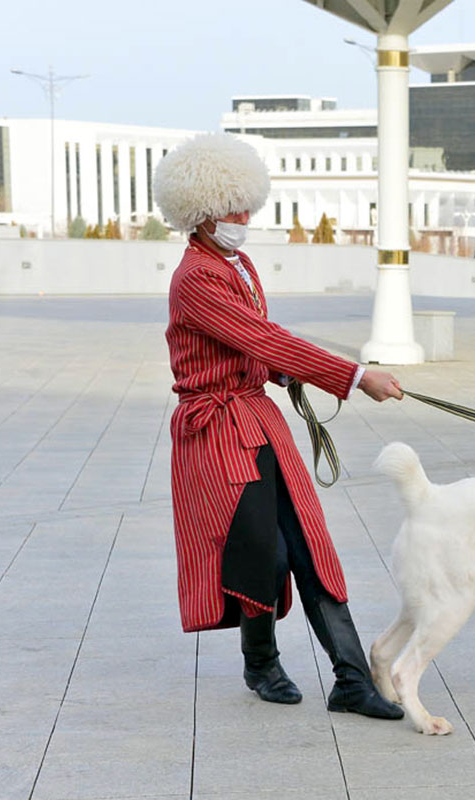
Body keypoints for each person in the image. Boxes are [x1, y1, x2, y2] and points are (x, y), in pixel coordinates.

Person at [154, 133, 403, 719]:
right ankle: (261, 662)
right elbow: (262, 337)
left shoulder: (236, 264)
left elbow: (254, 346)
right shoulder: (196, 277)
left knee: (309, 543)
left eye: (246, 204)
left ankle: (350, 678)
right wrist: (353, 375)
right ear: (200, 213)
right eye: (232, 209)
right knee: (257, 551)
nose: (244, 218)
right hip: (215, 431)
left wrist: (279, 373)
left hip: (256, 416)